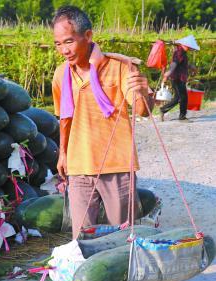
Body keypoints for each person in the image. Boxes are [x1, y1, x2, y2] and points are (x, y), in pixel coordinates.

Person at [51, 6, 153, 239]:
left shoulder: (119, 68)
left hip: (116, 166)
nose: (64, 50)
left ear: (87, 36)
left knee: (120, 236)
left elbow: (141, 110)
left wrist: (143, 90)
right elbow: (64, 119)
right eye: (58, 44)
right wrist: (63, 153)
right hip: (79, 167)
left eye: (69, 42)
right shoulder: (61, 75)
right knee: (82, 238)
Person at [160, 35, 200, 122]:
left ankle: (163, 109)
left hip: (179, 78)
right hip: (177, 78)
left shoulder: (182, 52)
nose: (189, 48)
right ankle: (182, 117)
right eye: (188, 46)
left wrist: (191, 67)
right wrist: (168, 74)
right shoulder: (179, 52)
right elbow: (174, 64)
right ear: (184, 44)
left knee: (178, 98)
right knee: (183, 97)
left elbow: (182, 64)